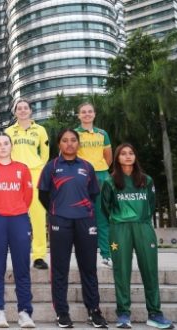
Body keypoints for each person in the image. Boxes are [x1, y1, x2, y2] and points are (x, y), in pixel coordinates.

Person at [38, 129, 107, 328]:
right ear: (59, 144)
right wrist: (56, 211)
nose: (69, 144)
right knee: (60, 269)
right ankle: (62, 313)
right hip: (60, 221)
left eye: (73, 140)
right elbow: (43, 194)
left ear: (78, 144)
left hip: (85, 221)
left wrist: (81, 209)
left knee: (89, 268)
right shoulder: (51, 167)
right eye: (65, 140)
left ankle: (94, 311)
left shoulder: (87, 166)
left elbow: (93, 194)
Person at [101, 143, 174, 329]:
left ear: (135, 157)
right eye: (123, 154)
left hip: (143, 227)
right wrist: (119, 219)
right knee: (122, 272)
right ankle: (123, 314)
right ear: (117, 158)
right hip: (120, 229)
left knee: (150, 271)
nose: (127, 156)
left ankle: (155, 314)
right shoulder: (110, 181)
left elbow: (151, 203)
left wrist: (140, 220)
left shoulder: (146, 180)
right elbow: (105, 207)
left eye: (131, 153)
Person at [0, 133, 35, 328]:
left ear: (11, 146)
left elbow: (28, 196)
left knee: (22, 268)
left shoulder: (22, 169)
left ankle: (24, 312)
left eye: (5, 143)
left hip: (19, 219)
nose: (2, 147)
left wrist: (15, 209)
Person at [6, 99, 50, 270]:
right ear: (15, 112)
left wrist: (40, 169)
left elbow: (45, 154)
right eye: (19, 108)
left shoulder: (40, 130)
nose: (22, 111)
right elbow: (5, 151)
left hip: (35, 173)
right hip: (15, 175)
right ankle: (19, 252)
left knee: (38, 216)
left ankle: (39, 256)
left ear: (30, 111)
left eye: (25, 108)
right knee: (16, 216)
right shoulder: (9, 131)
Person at [75, 102, 113, 268]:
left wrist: (101, 171)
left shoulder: (102, 133)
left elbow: (108, 157)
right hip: (82, 179)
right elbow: (68, 155)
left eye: (90, 111)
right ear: (79, 115)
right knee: (82, 217)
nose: (87, 114)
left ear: (94, 114)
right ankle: (84, 255)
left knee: (102, 217)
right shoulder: (74, 134)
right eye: (83, 112)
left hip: (101, 177)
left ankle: (106, 254)